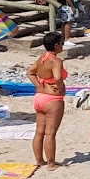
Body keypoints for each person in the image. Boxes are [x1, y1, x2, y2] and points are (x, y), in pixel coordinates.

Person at [27, 30, 67, 171]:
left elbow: (30, 72)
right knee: (50, 133)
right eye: (62, 43)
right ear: (56, 45)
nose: (63, 45)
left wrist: (39, 85)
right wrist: (61, 88)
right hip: (52, 99)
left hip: (39, 97)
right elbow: (57, 77)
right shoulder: (55, 61)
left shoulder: (42, 59)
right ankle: (51, 163)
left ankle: (39, 160)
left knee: (39, 131)